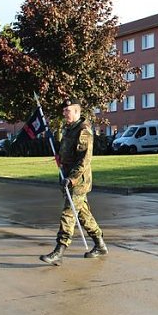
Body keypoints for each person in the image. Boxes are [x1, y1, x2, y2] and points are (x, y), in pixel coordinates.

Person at [40, 98, 107, 265]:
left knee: (68, 214)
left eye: (67, 110)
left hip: (78, 181)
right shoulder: (69, 129)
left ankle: (59, 251)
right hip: (67, 177)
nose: (64, 113)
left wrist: (72, 178)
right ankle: (100, 245)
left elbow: (85, 159)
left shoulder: (83, 130)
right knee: (83, 214)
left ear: (77, 111)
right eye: (64, 111)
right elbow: (66, 152)